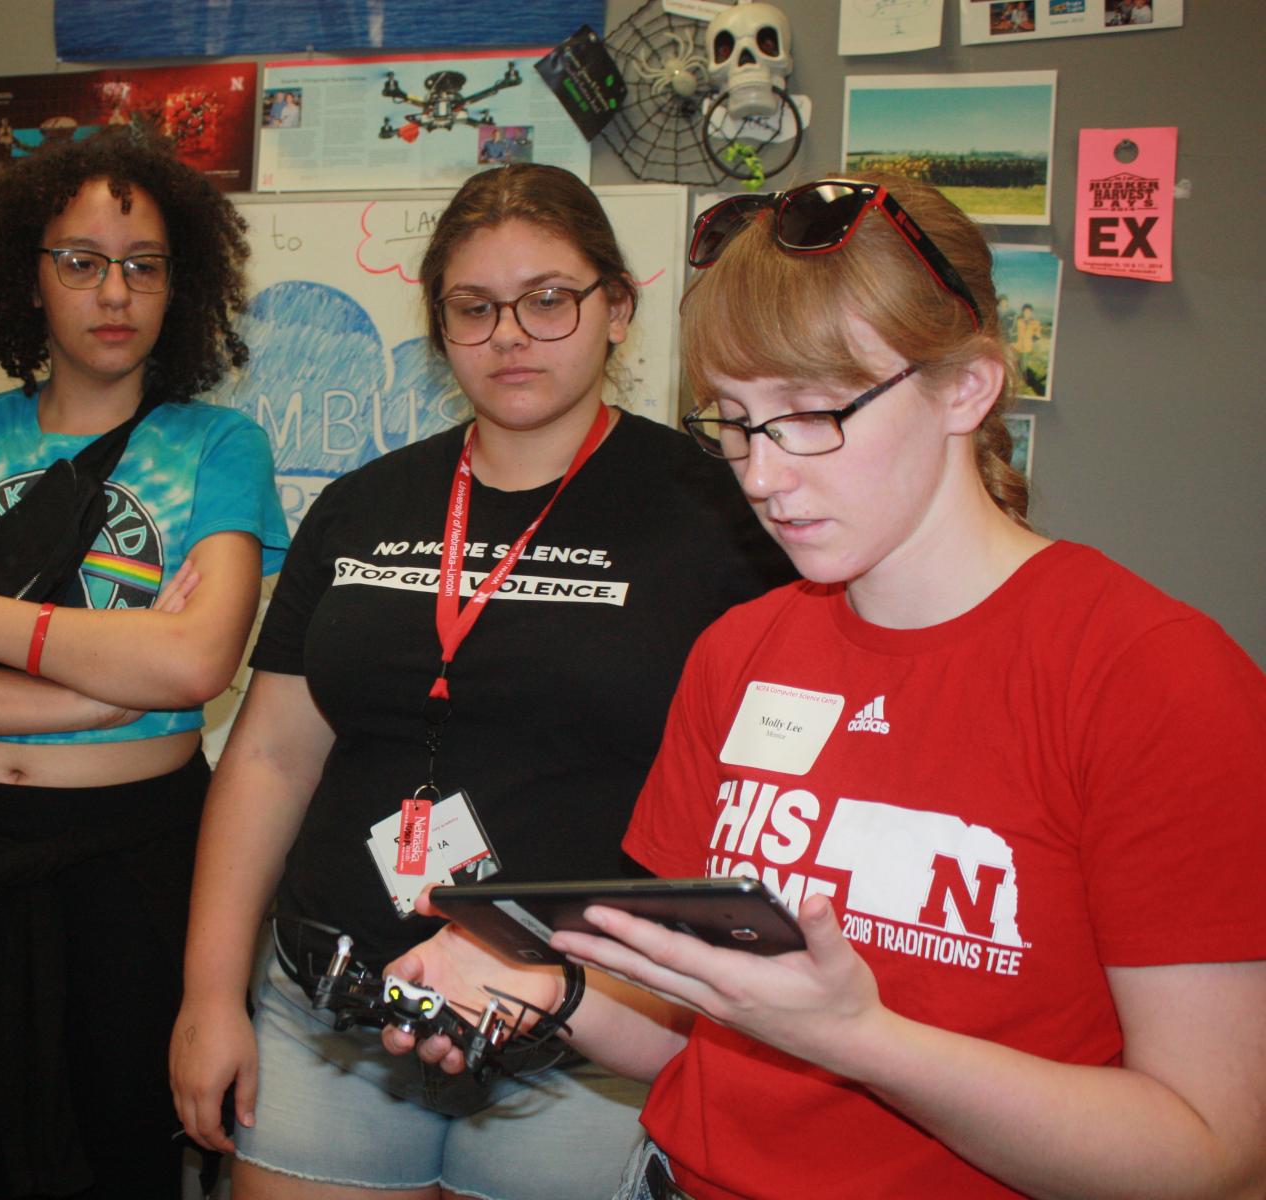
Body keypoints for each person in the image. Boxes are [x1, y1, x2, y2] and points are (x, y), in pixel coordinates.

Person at [382, 175, 1266, 1200]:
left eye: (811, 413)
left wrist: (862, 1040)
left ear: (967, 388)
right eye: (736, 420)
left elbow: (1212, 1151)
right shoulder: (742, 650)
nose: (760, 474)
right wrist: (545, 987)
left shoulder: (1149, 675)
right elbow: (700, 1038)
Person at [170, 162, 792, 1200]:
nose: (511, 334)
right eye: (475, 307)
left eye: (549, 299)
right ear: (440, 324)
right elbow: (272, 757)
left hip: (589, 1040)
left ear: (617, 310)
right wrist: (206, 995)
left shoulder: (722, 515)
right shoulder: (361, 506)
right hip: (337, 1012)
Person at [0, 127, 288, 1200]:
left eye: (143, 265)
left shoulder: (220, 448)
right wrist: (98, 687)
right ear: (27, 279)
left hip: (131, 868)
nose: (112, 291)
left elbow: (197, 663)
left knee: (116, 1158)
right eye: (79, 261)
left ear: (183, 286)